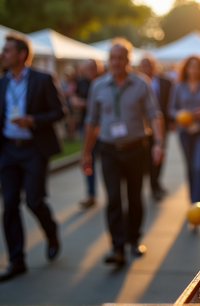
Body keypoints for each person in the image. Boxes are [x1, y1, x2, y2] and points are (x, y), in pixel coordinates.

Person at [81, 38, 165, 266]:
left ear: (128, 60)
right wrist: (85, 152)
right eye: (112, 58)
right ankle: (117, 248)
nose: (115, 62)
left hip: (137, 148)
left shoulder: (141, 83)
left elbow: (153, 114)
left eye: (120, 58)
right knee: (114, 198)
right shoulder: (98, 85)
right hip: (108, 150)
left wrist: (158, 142)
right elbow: (91, 121)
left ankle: (134, 239)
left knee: (135, 197)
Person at [0, 34, 66, 282]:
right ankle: (17, 261)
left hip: (34, 150)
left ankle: (51, 231)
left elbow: (60, 111)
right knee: (9, 205)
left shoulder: (43, 79)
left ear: (21, 55)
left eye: (7, 50)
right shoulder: (2, 83)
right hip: (8, 150)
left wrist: (33, 120)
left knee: (35, 201)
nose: (3, 54)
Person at [168, 55, 200, 203]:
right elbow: (171, 108)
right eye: (191, 66)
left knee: (198, 165)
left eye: (197, 67)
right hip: (184, 131)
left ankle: (197, 201)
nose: (194, 70)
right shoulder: (178, 86)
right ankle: (192, 199)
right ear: (186, 68)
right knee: (190, 166)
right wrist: (179, 115)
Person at [139, 55, 172, 201]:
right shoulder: (137, 83)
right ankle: (150, 184)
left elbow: (170, 103)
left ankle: (155, 184)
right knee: (145, 158)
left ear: (154, 66)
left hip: (161, 125)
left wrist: (171, 121)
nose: (146, 68)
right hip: (142, 128)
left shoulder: (166, 82)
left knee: (159, 155)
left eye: (149, 64)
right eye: (143, 65)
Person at [72, 59, 103, 209]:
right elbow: (74, 98)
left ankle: (113, 191)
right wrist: (79, 102)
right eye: (88, 68)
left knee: (107, 161)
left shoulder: (105, 82)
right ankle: (91, 194)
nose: (90, 70)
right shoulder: (81, 82)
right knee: (87, 157)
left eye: (93, 67)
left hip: (103, 127)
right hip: (86, 126)